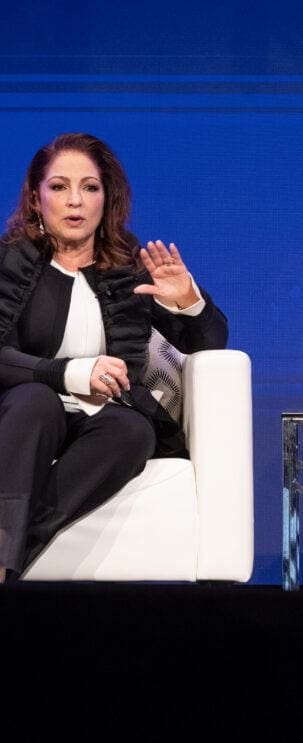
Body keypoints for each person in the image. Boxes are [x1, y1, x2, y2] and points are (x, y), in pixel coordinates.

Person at [0, 132, 227, 583]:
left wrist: (188, 302)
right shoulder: (9, 263)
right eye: (59, 187)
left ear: (108, 199)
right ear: (35, 196)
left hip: (100, 421)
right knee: (36, 402)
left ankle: (12, 552)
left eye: (90, 187)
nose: (74, 201)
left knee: (132, 428)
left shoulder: (130, 270)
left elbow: (210, 344)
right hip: (22, 412)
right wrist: (70, 373)